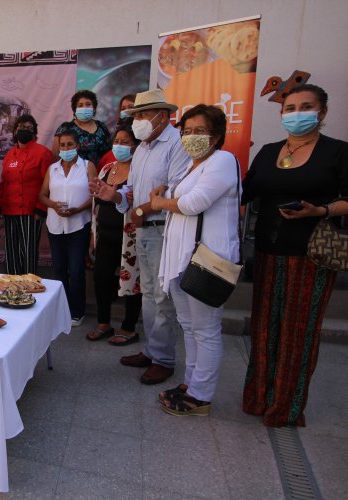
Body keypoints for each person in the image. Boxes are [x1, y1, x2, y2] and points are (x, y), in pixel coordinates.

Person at [241, 84, 348, 427]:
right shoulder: (269, 151)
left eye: (306, 106)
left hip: (310, 254)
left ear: (322, 112)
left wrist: (320, 209)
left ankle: (287, 406)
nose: (296, 112)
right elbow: (246, 192)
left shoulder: (336, 152)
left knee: (298, 331)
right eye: (289, 107)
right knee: (263, 327)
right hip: (267, 250)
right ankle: (258, 397)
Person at [149, 105, 240, 416]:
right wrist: (167, 189)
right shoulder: (193, 164)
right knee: (189, 326)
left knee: (205, 329)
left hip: (206, 260)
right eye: (186, 131)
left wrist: (161, 201)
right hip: (181, 259)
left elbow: (193, 203)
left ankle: (201, 395)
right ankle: (190, 383)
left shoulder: (223, 161)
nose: (191, 137)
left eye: (199, 131)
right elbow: (182, 194)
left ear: (216, 135)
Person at [94, 89, 189, 385]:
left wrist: (140, 210)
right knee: (148, 293)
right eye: (136, 116)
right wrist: (114, 195)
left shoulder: (176, 144)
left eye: (144, 115)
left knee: (162, 296)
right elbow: (131, 192)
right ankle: (152, 350)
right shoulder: (144, 148)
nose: (138, 121)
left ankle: (164, 359)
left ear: (163, 116)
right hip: (143, 229)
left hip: (164, 226)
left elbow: (177, 190)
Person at [88, 119, 142, 344]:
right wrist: (93, 233)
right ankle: (103, 323)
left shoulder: (140, 170)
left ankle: (129, 328)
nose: (119, 145)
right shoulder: (107, 168)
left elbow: (139, 201)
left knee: (131, 279)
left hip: (130, 236)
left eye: (125, 142)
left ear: (135, 146)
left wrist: (117, 196)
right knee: (101, 278)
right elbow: (97, 204)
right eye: (116, 141)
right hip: (105, 234)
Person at [39, 129, 96, 326]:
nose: (66, 148)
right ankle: (61, 309)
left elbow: (95, 195)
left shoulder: (87, 167)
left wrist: (77, 209)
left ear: (77, 146)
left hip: (78, 225)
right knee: (59, 270)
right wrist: (54, 205)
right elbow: (42, 195)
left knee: (76, 270)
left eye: (70, 145)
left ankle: (77, 311)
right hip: (55, 226)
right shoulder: (52, 169)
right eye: (62, 145)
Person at [0, 114, 52, 274]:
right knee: (12, 252)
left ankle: (29, 288)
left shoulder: (42, 153)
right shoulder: (9, 154)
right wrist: (0, 205)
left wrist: (41, 209)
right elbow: (4, 182)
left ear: (35, 133)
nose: (24, 131)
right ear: (14, 132)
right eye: (21, 128)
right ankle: (12, 287)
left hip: (31, 211)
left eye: (29, 128)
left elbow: (47, 185)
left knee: (28, 252)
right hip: (9, 210)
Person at [52, 89, 111, 166]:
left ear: (94, 108)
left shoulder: (102, 126)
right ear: (74, 110)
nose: (84, 108)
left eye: (88, 104)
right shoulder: (65, 128)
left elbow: (109, 152)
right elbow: (55, 155)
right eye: (80, 105)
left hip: (101, 174)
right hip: (75, 174)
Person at [97, 94, 137, 170]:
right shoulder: (108, 158)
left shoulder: (145, 140)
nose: (126, 111)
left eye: (130, 107)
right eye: (123, 108)